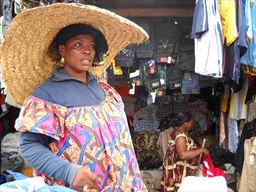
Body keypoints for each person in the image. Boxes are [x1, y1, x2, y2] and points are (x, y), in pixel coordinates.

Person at [0, 3, 149, 192]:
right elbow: (30, 146)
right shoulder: (47, 96)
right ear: (62, 50)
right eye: (78, 44)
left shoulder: (107, 92)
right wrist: (69, 172)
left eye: (92, 45)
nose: (87, 50)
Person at [160, 111, 209, 192]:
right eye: (190, 123)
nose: (191, 125)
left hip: (180, 171)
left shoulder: (178, 132)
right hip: (180, 173)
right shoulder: (180, 136)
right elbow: (183, 155)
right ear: (184, 123)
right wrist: (201, 150)